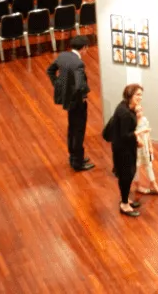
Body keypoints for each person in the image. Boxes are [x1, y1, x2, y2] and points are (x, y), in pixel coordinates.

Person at [47, 36, 94, 172]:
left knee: (72, 129)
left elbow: (50, 70)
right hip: (77, 102)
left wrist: (58, 85)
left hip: (68, 99)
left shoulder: (63, 56)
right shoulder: (79, 64)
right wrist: (83, 96)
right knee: (79, 131)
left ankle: (74, 157)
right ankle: (78, 162)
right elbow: (80, 85)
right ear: (84, 48)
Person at [104, 84, 146, 217]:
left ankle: (126, 198)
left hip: (125, 147)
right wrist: (139, 133)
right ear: (130, 95)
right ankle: (124, 205)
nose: (140, 97)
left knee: (127, 174)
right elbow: (125, 135)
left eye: (141, 94)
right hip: (123, 149)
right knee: (126, 175)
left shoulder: (126, 106)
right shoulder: (125, 113)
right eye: (137, 95)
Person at [133, 104, 158, 197]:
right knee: (136, 167)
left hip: (145, 146)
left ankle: (154, 184)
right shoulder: (132, 123)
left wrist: (150, 147)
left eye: (140, 110)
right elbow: (133, 134)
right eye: (137, 111)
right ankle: (138, 185)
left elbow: (148, 135)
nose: (139, 113)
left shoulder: (145, 120)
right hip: (137, 147)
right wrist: (142, 132)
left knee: (148, 165)